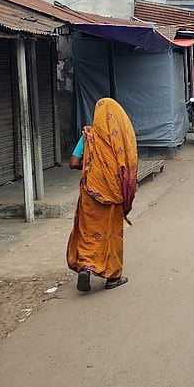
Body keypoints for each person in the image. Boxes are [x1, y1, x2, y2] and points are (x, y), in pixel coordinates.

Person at [67, 97, 137, 292]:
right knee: (111, 233)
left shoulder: (88, 136)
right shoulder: (120, 140)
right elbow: (128, 167)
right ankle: (113, 278)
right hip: (113, 194)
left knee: (89, 232)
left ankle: (85, 266)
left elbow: (73, 162)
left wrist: (92, 166)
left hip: (91, 193)